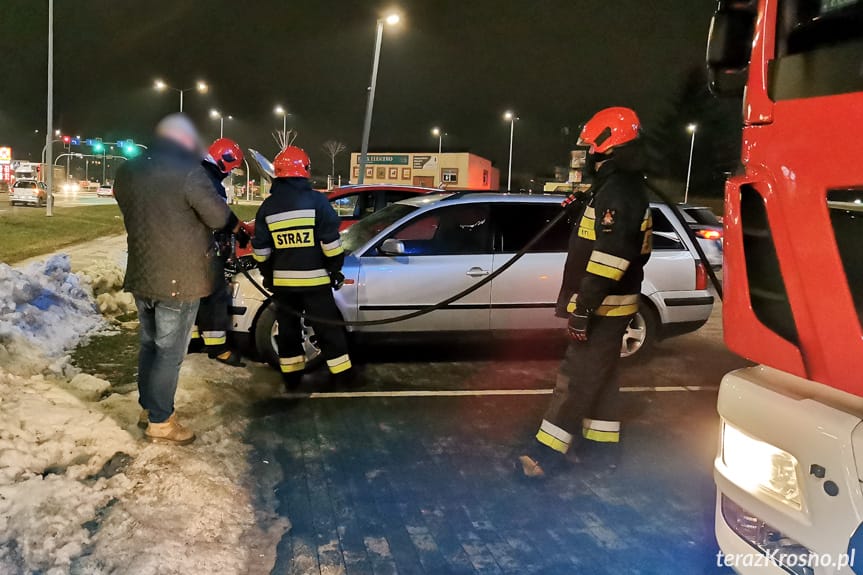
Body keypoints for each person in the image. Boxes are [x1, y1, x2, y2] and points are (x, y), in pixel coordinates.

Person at [517, 107, 653, 478]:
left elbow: (611, 258)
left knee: (575, 378)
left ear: (606, 144)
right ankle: (601, 449)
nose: (587, 155)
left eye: (590, 148)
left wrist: (584, 308)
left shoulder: (618, 191)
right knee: (602, 375)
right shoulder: (617, 187)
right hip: (609, 304)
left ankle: (545, 455)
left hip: (603, 307)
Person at [114, 114, 234, 445]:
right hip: (178, 280)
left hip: (141, 274)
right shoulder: (189, 173)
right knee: (169, 352)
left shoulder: (128, 171)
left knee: (149, 345)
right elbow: (219, 216)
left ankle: (148, 407)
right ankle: (161, 422)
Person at [250, 146, 356, 389]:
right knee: (328, 330)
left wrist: (268, 275)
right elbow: (330, 243)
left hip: (284, 286)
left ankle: (291, 378)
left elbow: (261, 251)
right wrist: (334, 269)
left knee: (287, 331)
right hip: (316, 283)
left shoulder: (268, 207)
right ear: (304, 170)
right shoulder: (316, 201)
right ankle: (342, 377)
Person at [192, 138, 249, 367]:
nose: (232, 171)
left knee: (197, 295)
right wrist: (237, 229)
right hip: (203, 249)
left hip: (192, 248)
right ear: (224, 160)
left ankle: (195, 340)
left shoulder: (199, 174)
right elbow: (217, 214)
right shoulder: (209, 181)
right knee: (216, 295)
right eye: (233, 166)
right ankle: (218, 348)